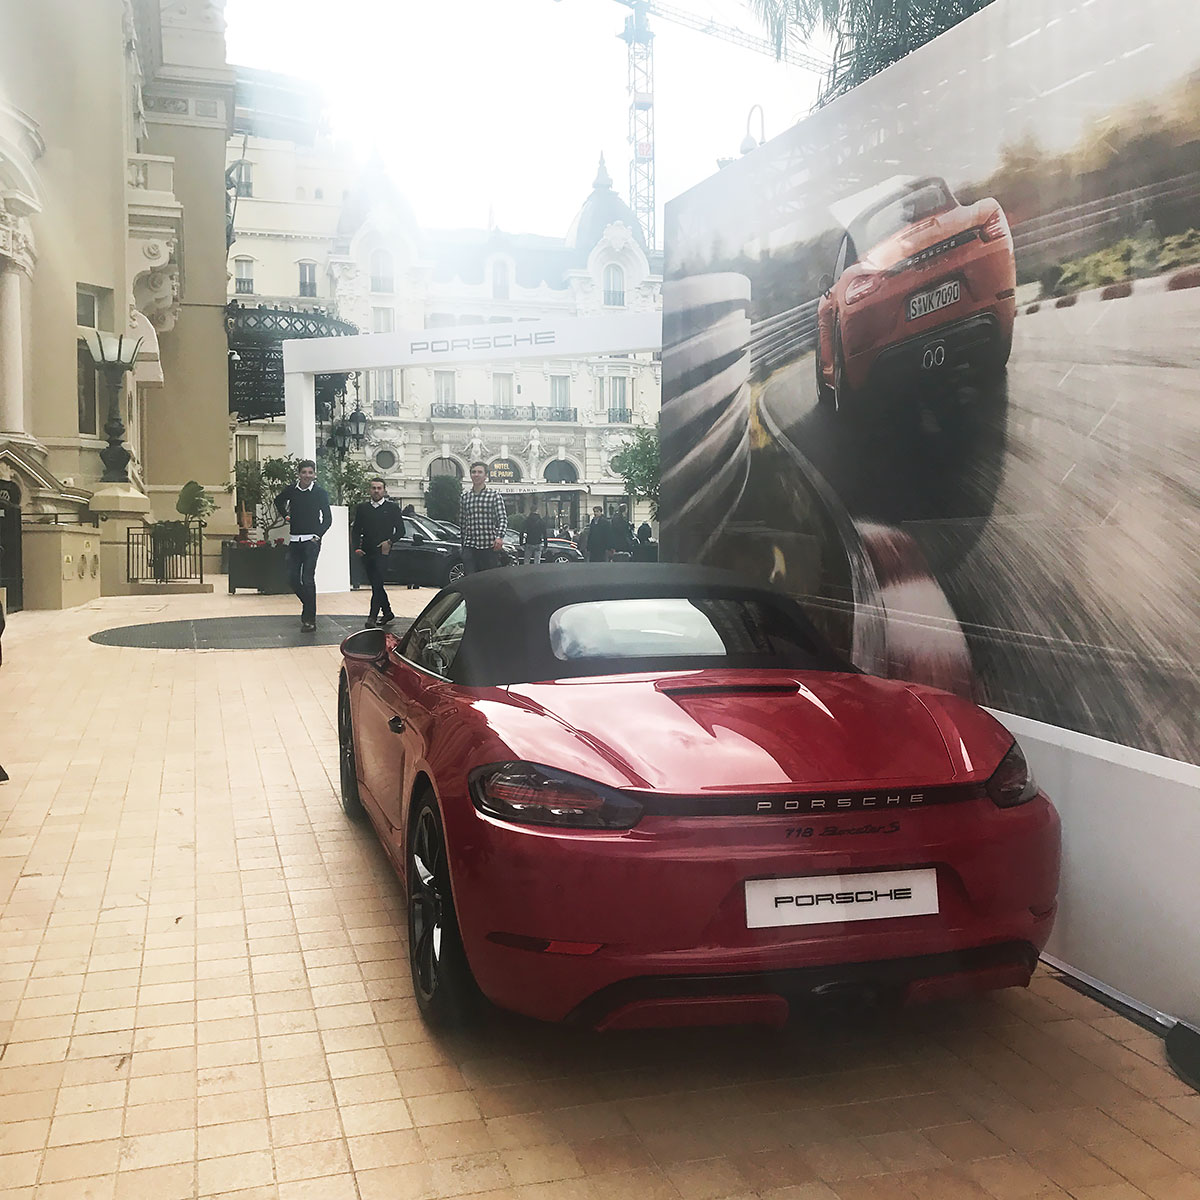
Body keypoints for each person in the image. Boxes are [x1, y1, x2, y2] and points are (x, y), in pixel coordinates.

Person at [274, 459, 332, 631]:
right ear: (298, 474)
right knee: (292, 577)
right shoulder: (291, 490)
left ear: (314, 475)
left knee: (308, 579)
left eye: (310, 473)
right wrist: (286, 515)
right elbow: (278, 501)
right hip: (294, 540)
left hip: (311, 542)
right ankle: (309, 605)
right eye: (304, 472)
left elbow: (327, 519)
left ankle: (310, 619)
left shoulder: (320, 493)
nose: (307, 476)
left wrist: (317, 535)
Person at [352, 477, 402, 627]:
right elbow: (356, 530)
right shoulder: (362, 508)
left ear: (384, 490)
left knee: (378, 582)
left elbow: (401, 530)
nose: (376, 491)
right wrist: (356, 547)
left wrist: (389, 542)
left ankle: (372, 617)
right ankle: (387, 612)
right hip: (366, 552)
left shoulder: (392, 508)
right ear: (370, 490)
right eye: (373, 488)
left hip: (383, 552)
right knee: (376, 585)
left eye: (379, 488)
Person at [459, 461, 506, 574]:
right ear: (470, 475)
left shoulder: (494, 496)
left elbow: (502, 518)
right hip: (470, 545)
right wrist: (463, 544)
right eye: (474, 472)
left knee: (489, 579)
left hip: (489, 546)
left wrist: (499, 537)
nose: (476, 475)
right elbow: (462, 522)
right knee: (470, 579)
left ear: (485, 476)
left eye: (480, 472)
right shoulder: (465, 497)